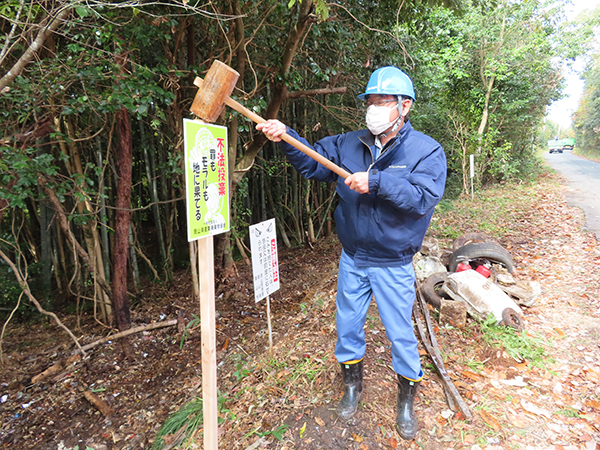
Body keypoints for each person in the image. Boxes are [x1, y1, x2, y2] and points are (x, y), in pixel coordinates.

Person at [257, 66, 446, 440]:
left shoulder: (426, 151)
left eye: (382, 101)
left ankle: (406, 400)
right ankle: (351, 386)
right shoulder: (348, 144)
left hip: (392, 262)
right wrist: (285, 137)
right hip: (353, 258)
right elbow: (312, 160)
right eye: (370, 101)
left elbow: (422, 199)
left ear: (404, 106)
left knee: (400, 333)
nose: (373, 108)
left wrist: (376, 181)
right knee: (347, 327)